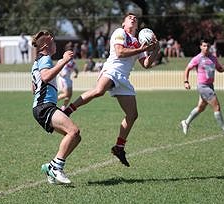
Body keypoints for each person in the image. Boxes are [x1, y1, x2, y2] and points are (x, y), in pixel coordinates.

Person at [63, 12, 159, 167]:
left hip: (123, 79)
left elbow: (146, 64)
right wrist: (142, 48)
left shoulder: (138, 42)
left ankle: (119, 147)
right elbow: (120, 52)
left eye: (135, 18)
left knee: (132, 115)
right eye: (129, 17)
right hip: (112, 70)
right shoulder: (120, 33)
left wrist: (155, 49)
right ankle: (68, 111)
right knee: (99, 90)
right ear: (123, 23)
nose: (133, 19)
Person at [31, 30, 81, 184]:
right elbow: (45, 77)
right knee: (73, 131)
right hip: (44, 107)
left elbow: (33, 88)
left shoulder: (36, 62)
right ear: (46, 45)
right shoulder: (45, 59)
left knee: (75, 136)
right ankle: (56, 168)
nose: (55, 45)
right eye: (53, 42)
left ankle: (51, 166)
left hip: (42, 106)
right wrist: (63, 61)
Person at [180, 38, 224, 135]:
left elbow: (219, 69)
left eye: (208, 46)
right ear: (200, 47)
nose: (206, 48)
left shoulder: (213, 58)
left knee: (201, 107)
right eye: (204, 46)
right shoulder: (197, 58)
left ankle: (186, 122)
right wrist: (186, 81)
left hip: (210, 86)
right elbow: (187, 69)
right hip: (203, 86)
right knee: (216, 106)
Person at [57, 43, 79, 110]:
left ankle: (63, 107)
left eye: (72, 53)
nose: (71, 54)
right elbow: (57, 68)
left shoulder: (73, 62)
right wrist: (60, 73)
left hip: (68, 79)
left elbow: (76, 70)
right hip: (62, 79)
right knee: (66, 94)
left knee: (70, 95)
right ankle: (51, 102)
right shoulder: (61, 60)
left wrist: (76, 74)